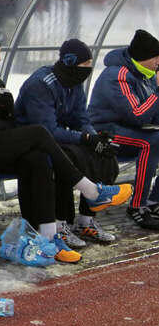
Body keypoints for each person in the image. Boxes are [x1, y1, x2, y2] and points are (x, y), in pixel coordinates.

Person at [0, 28, 132, 263]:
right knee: (39, 133)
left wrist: (91, 137)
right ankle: (92, 191)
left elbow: (5, 111)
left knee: (38, 159)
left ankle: (47, 238)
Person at [15, 39, 120, 246]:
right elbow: (47, 130)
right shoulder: (41, 84)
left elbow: (81, 118)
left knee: (102, 153)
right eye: (85, 64)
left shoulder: (74, 82)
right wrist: (85, 138)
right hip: (34, 143)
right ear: (70, 62)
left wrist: (95, 138)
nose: (88, 69)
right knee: (67, 159)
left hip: (58, 137)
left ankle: (86, 220)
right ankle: (60, 223)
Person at [88, 29, 159, 230]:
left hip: (129, 129)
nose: (158, 62)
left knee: (155, 139)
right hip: (104, 131)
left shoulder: (145, 74)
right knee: (151, 142)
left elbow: (151, 114)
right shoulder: (117, 75)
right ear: (143, 57)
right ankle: (137, 206)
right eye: (156, 57)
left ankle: (154, 201)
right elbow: (137, 115)